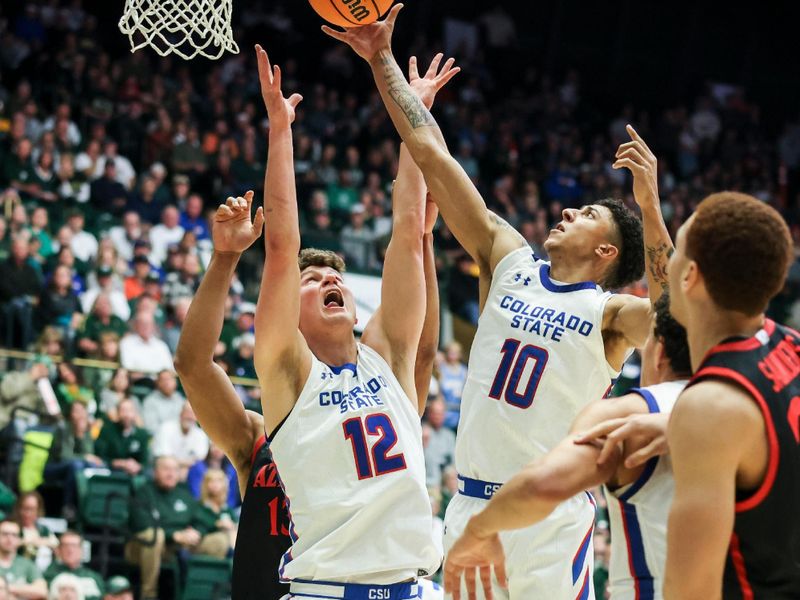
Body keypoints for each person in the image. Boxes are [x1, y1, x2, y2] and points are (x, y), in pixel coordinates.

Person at [326, 12, 669, 598]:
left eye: (586, 215)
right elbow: (432, 154)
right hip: (472, 505)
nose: (565, 213)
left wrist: (651, 202)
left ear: (607, 250)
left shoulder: (612, 313)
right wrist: (381, 59)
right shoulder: (508, 261)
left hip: (549, 517)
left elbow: (677, 318)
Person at [176, 45, 444, 600]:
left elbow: (411, 227)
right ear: (284, 314)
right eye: (312, 280)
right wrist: (280, 130)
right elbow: (281, 248)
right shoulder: (290, 380)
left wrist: (412, 110)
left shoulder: (390, 358)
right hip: (325, 590)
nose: (330, 281)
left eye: (335, 278)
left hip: (415, 589)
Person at [444, 293, 691, 599]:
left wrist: (477, 530)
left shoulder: (627, 417)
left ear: (658, 351)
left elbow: (543, 484)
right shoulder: (751, 412)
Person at [663, 192, 800, 598]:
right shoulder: (791, 345)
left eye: (677, 246)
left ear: (689, 276)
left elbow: (691, 591)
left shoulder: (711, 408)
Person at [125, 455, 229, 600]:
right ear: (155, 471)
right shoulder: (144, 492)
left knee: (219, 541)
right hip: (143, 547)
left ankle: (202, 593)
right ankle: (149, 595)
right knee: (155, 536)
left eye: (175, 469)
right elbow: (141, 524)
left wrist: (196, 533)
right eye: (166, 469)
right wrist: (174, 535)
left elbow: (202, 518)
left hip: (177, 547)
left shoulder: (183, 493)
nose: (171, 473)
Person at [94, 398, 149, 477]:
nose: (126, 415)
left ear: (135, 413)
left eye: (130, 410)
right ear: (117, 413)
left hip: (134, 473)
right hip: (110, 471)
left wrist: (138, 466)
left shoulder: (142, 434)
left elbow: (145, 461)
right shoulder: (107, 430)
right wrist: (119, 463)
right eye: (123, 410)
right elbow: (99, 457)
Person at [43, 531, 104, 600]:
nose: (70, 550)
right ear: (58, 550)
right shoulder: (48, 576)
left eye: (74, 546)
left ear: (81, 550)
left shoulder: (93, 578)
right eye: (66, 545)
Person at [0, 519, 47, 599]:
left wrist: (6, 588)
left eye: (14, 535)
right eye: (5, 534)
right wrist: (24, 590)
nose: (9, 538)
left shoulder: (27, 564)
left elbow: (42, 591)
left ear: (19, 540)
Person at [12, 492, 58, 563]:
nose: (28, 513)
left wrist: (36, 542)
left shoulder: (43, 530)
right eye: (24, 508)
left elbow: (56, 543)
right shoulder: (12, 527)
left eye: (32, 509)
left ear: (38, 510)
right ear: (18, 509)